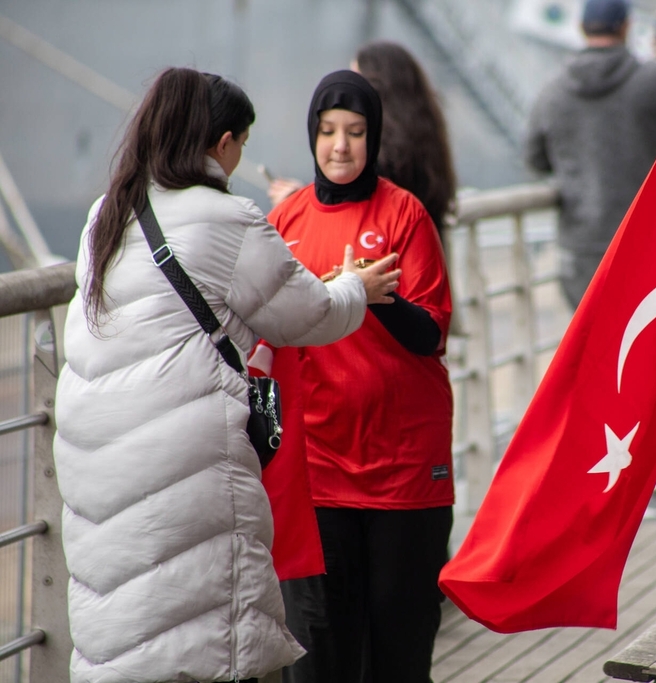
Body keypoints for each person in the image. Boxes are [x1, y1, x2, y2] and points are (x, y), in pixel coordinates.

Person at [51, 67, 400, 683]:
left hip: (95, 451)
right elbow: (308, 315)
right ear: (223, 142)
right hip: (186, 452)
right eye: (242, 142)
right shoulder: (227, 217)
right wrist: (356, 287)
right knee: (201, 624)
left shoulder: (107, 212)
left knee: (123, 609)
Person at [255, 70, 453, 683]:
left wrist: (376, 296)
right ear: (312, 136)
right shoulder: (284, 221)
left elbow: (432, 334)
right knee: (320, 654)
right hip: (317, 469)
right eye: (328, 131)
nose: (340, 146)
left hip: (403, 468)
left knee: (400, 650)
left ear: (375, 137)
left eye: (356, 132)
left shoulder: (404, 213)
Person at [525, 0, 656, 511]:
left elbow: (534, 158)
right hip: (647, 247)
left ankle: (606, 473)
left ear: (581, 27)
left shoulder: (552, 92)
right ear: (628, 27)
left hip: (581, 252)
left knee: (598, 363)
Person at [268, 42, 457, 242]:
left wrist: (304, 204)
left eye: (357, 79)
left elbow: (365, 212)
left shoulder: (387, 165)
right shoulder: (425, 140)